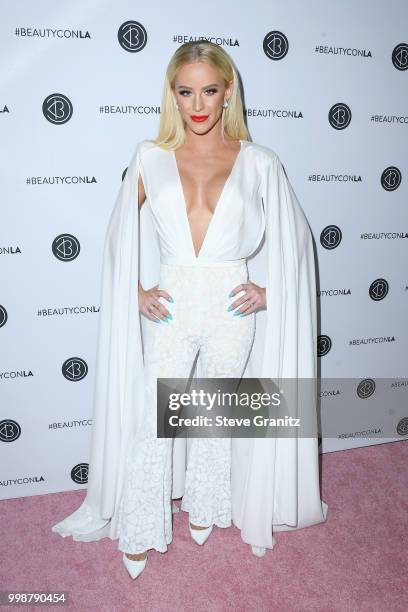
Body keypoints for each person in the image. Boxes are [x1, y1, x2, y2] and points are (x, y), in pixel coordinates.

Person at [51, 41, 328, 579]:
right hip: (175, 300)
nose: (197, 103)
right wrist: (133, 291)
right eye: (185, 91)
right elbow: (118, 235)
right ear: (172, 95)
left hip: (231, 303)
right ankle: (139, 527)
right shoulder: (149, 158)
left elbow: (297, 242)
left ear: (228, 92)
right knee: (156, 422)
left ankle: (205, 506)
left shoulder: (260, 161)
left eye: (208, 90)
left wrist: (273, 293)